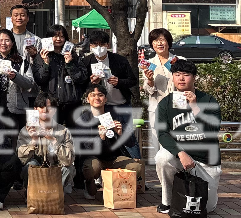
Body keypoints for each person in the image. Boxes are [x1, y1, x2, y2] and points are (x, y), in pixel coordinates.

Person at [155, 59, 222, 215]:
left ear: (194, 77)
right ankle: (168, 201)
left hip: (204, 160)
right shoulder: (165, 103)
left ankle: (203, 193)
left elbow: (213, 130)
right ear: (173, 77)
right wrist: (180, 152)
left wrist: (195, 107)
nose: (181, 78)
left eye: (186, 75)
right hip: (180, 157)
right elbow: (162, 133)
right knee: (162, 158)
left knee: (206, 208)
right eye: (177, 74)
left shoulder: (208, 100)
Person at [72, 84, 144, 200]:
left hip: (114, 158)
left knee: (136, 167)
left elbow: (130, 143)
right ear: (87, 99)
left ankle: (115, 186)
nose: (97, 98)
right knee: (91, 169)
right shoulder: (83, 119)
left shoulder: (115, 116)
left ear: (105, 99)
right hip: (94, 159)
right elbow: (86, 147)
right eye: (93, 95)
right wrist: (100, 138)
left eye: (100, 95)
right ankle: (89, 183)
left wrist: (120, 133)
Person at [81, 29, 140, 158]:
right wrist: (91, 83)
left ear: (107, 45)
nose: (99, 48)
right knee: (106, 136)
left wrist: (119, 82)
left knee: (128, 136)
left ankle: (136, 164)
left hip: (121, 105)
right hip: (102, 108)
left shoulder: (119, 60)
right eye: (95, 44)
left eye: (102, 44)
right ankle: (108, 163)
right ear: (90, 46)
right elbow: (81, 84)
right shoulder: (86, 62)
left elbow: (132, 80)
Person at [17, 91, 76, 191]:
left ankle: (56, 195)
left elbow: (68, 160)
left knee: (68, 169)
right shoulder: (26, 130)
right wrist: (33, 141)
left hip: (55, 170)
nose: (45, 110)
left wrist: (53, 141)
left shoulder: (63, 131)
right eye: (41, 107)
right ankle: (31, 193)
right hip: (37, 170)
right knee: (30, 166)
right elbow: (20, 159)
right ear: (35, 109)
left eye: (49, 107)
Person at [33, 24, 87, 127]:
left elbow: (82, 78)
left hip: (72, 103)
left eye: (62, 36)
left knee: (74, 133)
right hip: (51, 104)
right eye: (55, 36)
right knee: (52, 132)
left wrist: (70, 64)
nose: (58, 39)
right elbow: (39, 80)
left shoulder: (74, 56)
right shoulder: (41, 56)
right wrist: (45, 64)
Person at [0, 28, 35, 130]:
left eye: (7, 40)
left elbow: (30, 83)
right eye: (0, 40)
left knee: (16, 137)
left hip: (17, 110)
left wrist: (16, 77)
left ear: (12, 43)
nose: (3, 43)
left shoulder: (21, 61)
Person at [142, 28, 178, 163]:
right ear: (152, 44)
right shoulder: (149, 64)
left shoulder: (179, 61)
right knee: (158, 143)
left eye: (162, 40)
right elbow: (148, 90)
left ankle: (178, 172)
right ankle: (162, 173)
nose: (159, 43)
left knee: (176, 142)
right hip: (157, 108)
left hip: (177, 108)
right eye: (156, 41)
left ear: (168, 42)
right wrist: (150, 80)